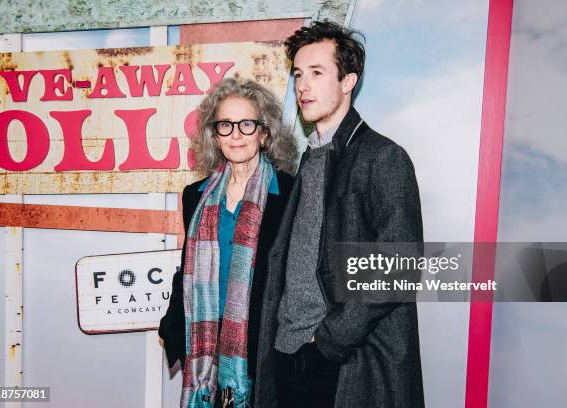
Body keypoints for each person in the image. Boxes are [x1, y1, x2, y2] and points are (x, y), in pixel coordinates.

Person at [254, 21, 425, 407]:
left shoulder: (383, 157)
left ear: (348, 81)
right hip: (287, 354)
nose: (303, 86)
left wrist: (326, 343)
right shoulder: (309, 159)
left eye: (317, 73)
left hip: (341, 363)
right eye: (298, 74)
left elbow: (399, 267)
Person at [159, 77, 296, 408]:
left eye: (246, 124)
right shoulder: (196, 195)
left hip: (262, 348)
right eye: (225, 125)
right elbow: (187, 267)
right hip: (206, 342)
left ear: (265, 134)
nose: (235, 135)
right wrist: (172, 323)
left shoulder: (291, 193)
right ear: (214, 135)